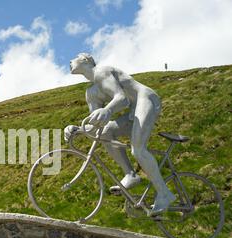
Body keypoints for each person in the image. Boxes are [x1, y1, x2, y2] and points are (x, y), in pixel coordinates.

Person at [64, 53, 175, 216]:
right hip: (133, 111)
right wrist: (77, 129)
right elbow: (97, 127)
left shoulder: (101, 71)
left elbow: (122, 99)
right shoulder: (91, 92)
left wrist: (107, 110)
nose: (69, 61)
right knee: (106, 132)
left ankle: (164, 194)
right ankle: (130, 175)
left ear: (86, 61)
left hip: (145, 99)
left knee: (138, 150)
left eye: (73, 58)